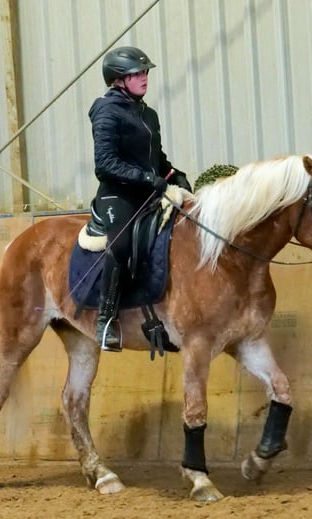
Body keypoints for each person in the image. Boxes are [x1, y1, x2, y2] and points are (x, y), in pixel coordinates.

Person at [89, 46, 192, 352]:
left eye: (145, 72)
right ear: (119, 80)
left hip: (149, 193)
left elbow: (155, 158)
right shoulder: (107, 110)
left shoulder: (148, 113)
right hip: (117, 195)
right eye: (136, 73)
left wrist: (173, 174)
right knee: (120, 244)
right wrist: (147, 179)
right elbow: (104, 163)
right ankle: (105, 319)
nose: (144, 77)